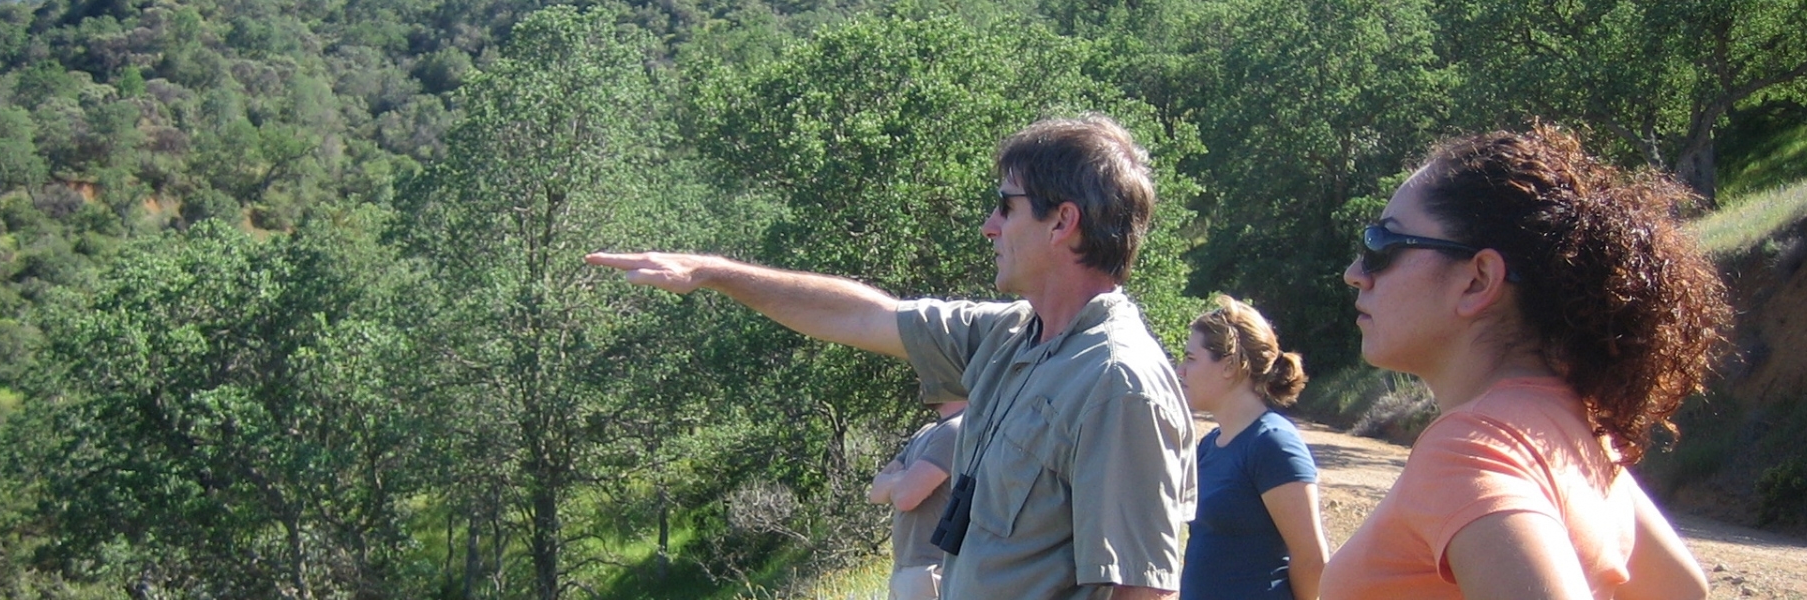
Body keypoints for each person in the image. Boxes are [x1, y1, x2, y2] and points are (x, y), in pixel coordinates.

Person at [587, 114, 1194, 599]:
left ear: (1063, 221)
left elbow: (1140, 589)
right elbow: (862, 313)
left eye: (1005, 205)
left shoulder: (1117, 382)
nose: (989, 226)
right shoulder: (1011, 337)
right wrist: (714, 273)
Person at [1320, 125, 1727, 600]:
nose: (1355, 275)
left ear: (1478, 280)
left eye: (1381, 247)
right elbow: (1681, 590)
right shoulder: (1580, 428)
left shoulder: (1471, 450)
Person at [1177, 296, 1329, 600]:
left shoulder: (1273, 444)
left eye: (1191, 359)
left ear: (1230, 365)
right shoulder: (1210, 445)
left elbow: (1312, 560)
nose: (1180, 370)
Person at [867, 399, 966, 600]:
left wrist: (898, 483)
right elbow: (875, 492)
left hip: (931, 570)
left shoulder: (957, 429)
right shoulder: (927, 431)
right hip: (905, 569)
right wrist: (903, 479)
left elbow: (906, 497)